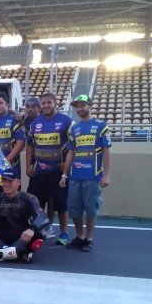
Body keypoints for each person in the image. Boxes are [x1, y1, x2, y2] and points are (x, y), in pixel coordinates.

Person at [60, 94, 111, 252]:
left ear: (89, 105)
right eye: (77, 106)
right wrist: (64, 175)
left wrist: (106, 175)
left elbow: (106, 151)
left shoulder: (101, 125)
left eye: (82, 105)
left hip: (93, 176)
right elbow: (71, 152)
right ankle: (79, 237)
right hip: (75, 176)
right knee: (74, 208)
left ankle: (89, 239)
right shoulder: (74, 129)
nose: (80, 108)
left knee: (91, 209)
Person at [26, 92, 74, 245]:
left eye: (49, 103)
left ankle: (64, 233)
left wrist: (66, 164)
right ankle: (39, 230)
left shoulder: (66, 121)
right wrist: (28, 165)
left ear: (55, 104)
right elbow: (30, 146)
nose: (46, 105)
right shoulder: (35, 123)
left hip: (57, 171)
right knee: (36, 203)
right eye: (43, 103)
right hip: (39, 171)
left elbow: (74, 144)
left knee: (60, 204)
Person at [0, 168, 50, 263]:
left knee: (41, 232)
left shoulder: (29, 198)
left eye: (10, 181)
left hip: (22, 238)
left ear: (19, 183)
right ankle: (19, 254)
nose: (6, 184)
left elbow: (42, 217)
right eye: (4, 181)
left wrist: (32, 229)